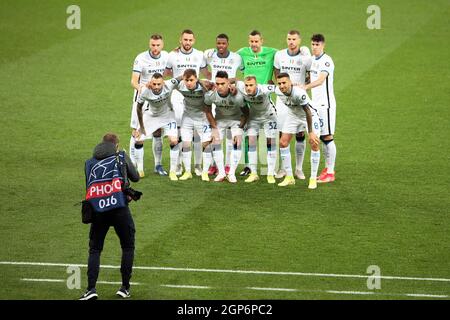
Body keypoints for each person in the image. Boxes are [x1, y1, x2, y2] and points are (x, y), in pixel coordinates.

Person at [80, 133, 140, 300]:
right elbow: (136, 177)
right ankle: (124, 288)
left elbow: (89, 186)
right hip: (119, 208)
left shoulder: (89, 162)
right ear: (116, 145)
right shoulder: (120, 156)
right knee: (128, 247)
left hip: (98, 210)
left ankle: (91, 289)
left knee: (95, 250)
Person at [164, 29, 210, 176]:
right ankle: (177, 165)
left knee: (196, 132)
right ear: (180, 40)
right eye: (185, 40)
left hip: (194, 95)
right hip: (178, 95)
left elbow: (206, 73)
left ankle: (197, 165)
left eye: (190, 40)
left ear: (194, 41)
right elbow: (167, 74)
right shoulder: (172, 55)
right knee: (179, 131)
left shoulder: (199, 54)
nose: (187, 42)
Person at [237, 30, 278, 177]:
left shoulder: (272, 52)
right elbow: (227, 60)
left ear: (262, 41)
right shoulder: (242, 53)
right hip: (248, 97)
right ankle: (248, 166)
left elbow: (287, 55)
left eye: (256, 41)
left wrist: (304, 52)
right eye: (251, 41)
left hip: (264, 97)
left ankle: (271, 168)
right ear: (249, 41)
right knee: (250, 135)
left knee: (270, 137)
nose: (254, 44)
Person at [274, 30, 312, 180]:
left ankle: (299, 169)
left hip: (299, 98)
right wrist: (284, 86)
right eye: (289, 39)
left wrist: (302, 86)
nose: (291, 42)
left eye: (294, 39)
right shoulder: (280, 55)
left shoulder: (304, 56)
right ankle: (283, 168)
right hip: (283, 100)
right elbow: (277, 74)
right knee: (282, 133)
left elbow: (311, 76)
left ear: (299, 40)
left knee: (300, 133)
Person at [129, 34, 169, 177]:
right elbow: (133, 81)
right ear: (149, 44)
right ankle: (134, 166)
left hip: (158, 98)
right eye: (153, 45)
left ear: (162, 45)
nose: (155, 48)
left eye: (158, 45)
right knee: (137, 131)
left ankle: (158, 165)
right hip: (142, 97)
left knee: (158, 131)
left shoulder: (166, 56)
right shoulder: (141, 58)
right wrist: (142, 88)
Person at [204, 33, 242, 176]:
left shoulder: (237, 58)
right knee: (215, 135)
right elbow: (199, 65)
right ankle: (214, 165)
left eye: (223, 43)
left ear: (228, 44)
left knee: (229, 136)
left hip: (229, 96)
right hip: (216, 96)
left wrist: (230, 83)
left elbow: (240, 75)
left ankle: (227, 166)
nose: (221, 46)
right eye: (218, 43)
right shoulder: (209, 55)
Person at [301, 34, 337, 183]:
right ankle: (327, 169)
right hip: (316, 105)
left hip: (326, 105)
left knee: (328, 137)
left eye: (317, 44)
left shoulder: (326, 61)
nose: (315, 47)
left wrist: (305, 87)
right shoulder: (313, 61)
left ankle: (330, 172)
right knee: (321, 137)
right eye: (313, 44)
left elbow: (321, 80)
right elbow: (311, 78)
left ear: (323, 45)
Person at [275, 73, 321, 189]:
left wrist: (310, 132)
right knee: (283, 143)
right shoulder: (278, 91)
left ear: (290, 82)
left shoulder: (299, 93)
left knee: (314, 143)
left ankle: (312, 178)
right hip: (293, 115)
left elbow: (308, 112)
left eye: (284, 83)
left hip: (309, 116)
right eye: (279, 83)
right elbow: (265, 87)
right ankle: (289, 177)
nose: (281, 86)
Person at [204, 71, 249, 183]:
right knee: (215, 142)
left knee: (237, 142)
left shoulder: (237, 96)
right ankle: (221, 173)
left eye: (222, 83)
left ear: (228, 83)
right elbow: (208, 112)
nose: (219, 86)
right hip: (220, 120)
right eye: (217, 84)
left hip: (236, 120)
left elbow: (246, 113)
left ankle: (232, 173)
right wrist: (214, 128)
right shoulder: (210, 95)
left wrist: (240, 128)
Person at [135, 73, 181, 181]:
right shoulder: (145, 91)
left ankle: (172, 171)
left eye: (158, 84)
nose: (156, 87)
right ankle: (140, 170)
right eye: (154, 84)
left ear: (163, 83)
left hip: (167, 116)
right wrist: (141, 127)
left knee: (174, 141)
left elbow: (182, 76)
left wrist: (199, 81)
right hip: (151, 116)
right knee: (138, 140)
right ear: (150, 83)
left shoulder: (169, 84)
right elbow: (138, 108)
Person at [235, 76, 278, 183]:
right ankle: (253, 173)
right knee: (251, 141)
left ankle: (270, 173)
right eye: (246, 85)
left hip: (269, 116)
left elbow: (279, 89)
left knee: (270, 142)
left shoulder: (264, 89)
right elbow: (234, 81)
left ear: (256, 85)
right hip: (254, 117)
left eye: (251, 85)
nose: (248, 88)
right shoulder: (241, 87)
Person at [176, 69, 214, 181]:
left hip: (202, 117)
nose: (188, 83)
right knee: (186, 144)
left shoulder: (205, 85)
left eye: (191, 80)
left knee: (206, 145)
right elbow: (168, 84)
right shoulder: (180, 85)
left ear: (196, 78)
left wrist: (202, 82)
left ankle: (205, 172)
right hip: (187, 117)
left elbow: (215, 87)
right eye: (186, 80)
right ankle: (187, 172)